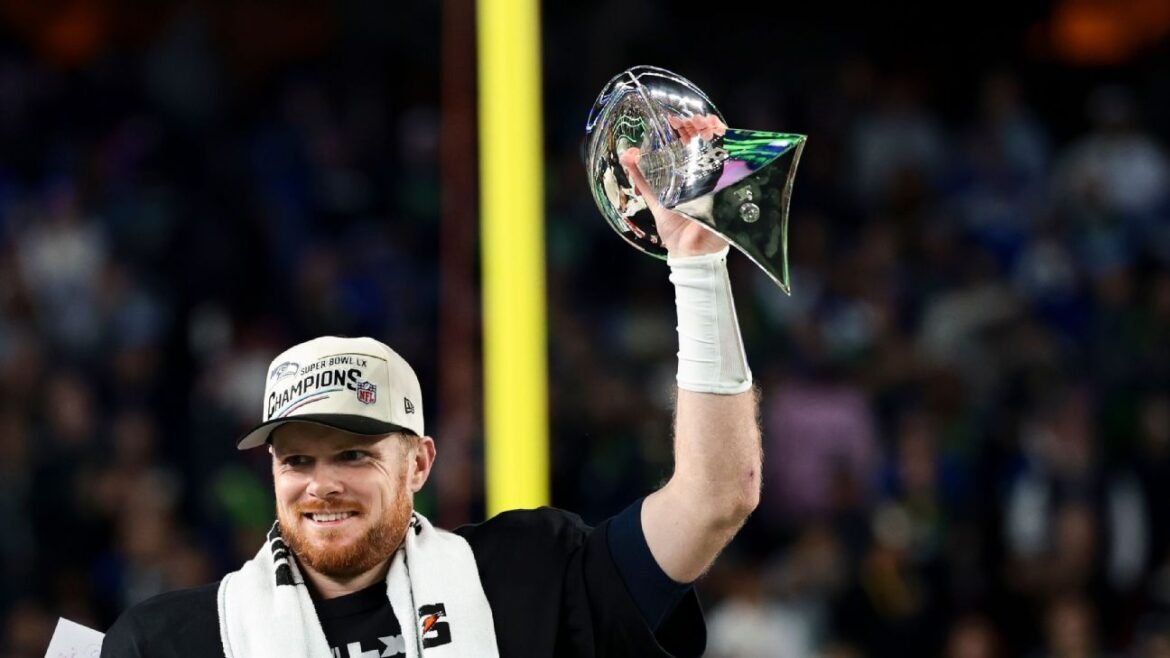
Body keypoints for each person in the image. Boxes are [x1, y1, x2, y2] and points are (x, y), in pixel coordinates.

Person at [100, 114, 761, 657]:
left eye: (353, 454)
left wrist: (698, 267)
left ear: (419, 462)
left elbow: (715, 498)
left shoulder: (527, 577)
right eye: (297, 460)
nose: (321, 484)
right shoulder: (168, 641)